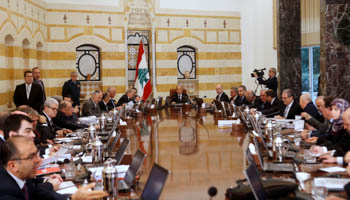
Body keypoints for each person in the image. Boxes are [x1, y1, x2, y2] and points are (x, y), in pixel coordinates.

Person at [0, 136, 108, 200]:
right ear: (13, 166)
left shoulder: (22, 176)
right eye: (31, 157)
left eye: (37, 154)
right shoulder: (5, 192)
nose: (39, 160)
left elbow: (38, 194)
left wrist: (72, 197)